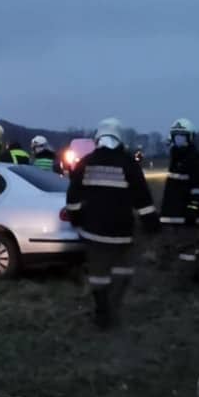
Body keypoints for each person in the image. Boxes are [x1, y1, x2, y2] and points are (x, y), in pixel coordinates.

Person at [66, 117, 159, 328]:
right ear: (120, 138)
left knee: (98, 275)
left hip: (93, 232)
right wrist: (151, 223)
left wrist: (76, 220)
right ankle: (112, 308)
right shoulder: (129, 164)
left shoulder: (85, 163)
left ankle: (102, 311)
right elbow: (142, 199)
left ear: (97, 138)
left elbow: (72, 199)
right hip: (121, 232)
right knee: (123, 271)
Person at [159, 118, 199, 287]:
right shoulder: (175, 156)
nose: (179, 139)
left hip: (187, 213)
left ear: (191, 137)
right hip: (172, 212)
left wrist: (193, 208)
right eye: (176, 135)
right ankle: (194, 278)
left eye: (183, 136)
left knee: (188, 248)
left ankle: (186, 282)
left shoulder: (196, 158)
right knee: (184, 248)